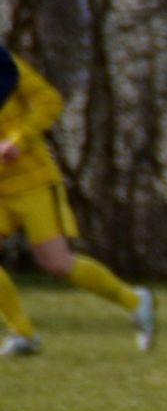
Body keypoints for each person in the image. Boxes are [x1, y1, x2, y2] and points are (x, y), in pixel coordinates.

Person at [0, 46, 156, 357]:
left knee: (57, 264)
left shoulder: (7, 68)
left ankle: (135, 301)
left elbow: (49, 101)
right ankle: (23, 334)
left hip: (33, 185)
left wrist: (19, 139)